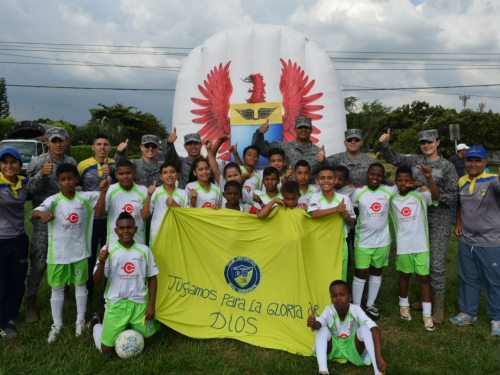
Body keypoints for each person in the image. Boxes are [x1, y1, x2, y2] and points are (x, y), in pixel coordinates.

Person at [379, 128, 458, 323]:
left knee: (437, 263)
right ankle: (425, 299)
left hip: (437, 217)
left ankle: (437, 305)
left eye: (430, 142)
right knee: (419, 259)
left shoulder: (447, 166)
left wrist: (431, 194)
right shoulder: (415, 160)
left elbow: (453, 195)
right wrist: (385, 145)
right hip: (413, 220)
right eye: (423, 142)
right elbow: (394, 158)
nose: (426, 145)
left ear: (438, 142)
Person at [31, 163, 109, 343]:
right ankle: (56, 325)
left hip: (80, 253)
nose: (67, 182)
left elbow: (99, 212)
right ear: (58, 181)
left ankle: (79, 321)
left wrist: (103, 191)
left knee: (80, 286)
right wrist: (41, 215)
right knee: (57, 288)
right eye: (63, 179)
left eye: (70, 179)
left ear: (77, 180)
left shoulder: (86, 197)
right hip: (58, 254)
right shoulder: (53, 200)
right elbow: (35, 211)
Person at [25, 127, 77, 323]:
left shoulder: (71, 162)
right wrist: (41, 175)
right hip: (42, 222)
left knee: (66, 257)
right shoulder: (38, 162)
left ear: (66, 142)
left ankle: (66, 292)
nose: (57, 144)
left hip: (65, 221)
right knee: (38, 262)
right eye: (53, 141)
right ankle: (31, 301)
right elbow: (28, 190)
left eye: (61, 140)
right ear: (47, 143)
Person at [90, 212, 159, 354]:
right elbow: (97, 282)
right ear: (116, 231)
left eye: (129, 227)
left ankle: (131, 327)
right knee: (107, 350)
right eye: (122, 228)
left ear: (135, 229)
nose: (126, 231)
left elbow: (152, 278)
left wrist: (151, 306)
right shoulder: (108, 250)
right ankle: (97, 324)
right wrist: (102, 263)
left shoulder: (144, 250)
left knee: (150, 343)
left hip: (139, 304)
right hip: (117, 303)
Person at [451, 146, 500, 336]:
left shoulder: (493, 181)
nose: (473, 164)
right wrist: (458, 223)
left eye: (478, 160)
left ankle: (497, 318)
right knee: (467, 278)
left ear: (485, 162)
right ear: (465, 161)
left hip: (491, 241)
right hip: (467, 240)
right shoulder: (462, 180)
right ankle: (468, 313)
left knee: (494, 281)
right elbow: (461, 203)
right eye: (470, 160)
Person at [390, 166, 439, 331]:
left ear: (411, 181)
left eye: (407, 180)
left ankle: (427, 314)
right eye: (400, 180)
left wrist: (428, 179)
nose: (403, 183)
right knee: (404, 276)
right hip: (404, 246)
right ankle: (403, 305)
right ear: (396, 181)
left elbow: (436, 196)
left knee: (423, 279)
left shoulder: (421, 195)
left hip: (422, 246)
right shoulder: (392, 198)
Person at [307, 280, 387, 375]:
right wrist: (313, 323)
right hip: (333, 349)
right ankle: (323, 370)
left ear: (349, 297)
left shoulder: (356, 309)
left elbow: (375, 329)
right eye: (334, 296)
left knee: (365, 329)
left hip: (353, 348)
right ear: (331, 298)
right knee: (321, 329)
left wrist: (378, 357)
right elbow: (318, 324)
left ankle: (378, 371)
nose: (338, 298)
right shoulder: (329, 310)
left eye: (342, 294)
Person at [350, 163, 398, 320]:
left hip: (382, 242)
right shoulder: (357, 192)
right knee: (361, 273)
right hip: (363, 241)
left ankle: (370, 304)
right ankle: (356, 307)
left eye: (379, 175)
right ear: (366, 175)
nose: (375, 177)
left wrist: (418, 185)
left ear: (383, 177)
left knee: (377, 271)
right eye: (372, 174)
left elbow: (404, 185)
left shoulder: (389, 191)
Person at [78, 132, 116, 302]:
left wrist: (113, 173)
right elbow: (75, 187)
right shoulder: (83, 165)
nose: (102, 147)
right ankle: (89, 291)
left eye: (106, 144)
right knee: (90, 255)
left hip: (111, 219)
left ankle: (111, 290)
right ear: (93, 147)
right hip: (90, 220)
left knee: (111, 255)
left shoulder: (116, 164)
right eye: (99, 144)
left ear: (110, 147)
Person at [0, 148, 29, 339]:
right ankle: (2, 324)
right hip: (0, 241)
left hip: (19, 239)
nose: (9, 166)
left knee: (18, 282)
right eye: (5, 162)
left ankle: (13, 314)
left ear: (19, 165)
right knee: (2, 285)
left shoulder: (24, 183)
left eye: (13, 162)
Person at [308, 167, 356, 281]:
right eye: (322, 178)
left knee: (339, 274)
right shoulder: (314, 197)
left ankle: (338, 298)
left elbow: (352, 222)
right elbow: (314, 215)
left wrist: (347, 216)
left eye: (330, 178)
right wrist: (336, 209)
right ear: (318, 181)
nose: (326, 181)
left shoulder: (344, 198)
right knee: (321, 274)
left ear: (335, 180)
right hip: (320, 242)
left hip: (339, 242)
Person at [252, 117, 323, 183]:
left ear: (311, 130)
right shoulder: (284, 147)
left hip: (309, 193)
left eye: (306, 127)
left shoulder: (318, 152)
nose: (303, 129)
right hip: (287, 192)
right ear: (295, 130)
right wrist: (259, 133)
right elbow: (260, 148)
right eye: (300, 127)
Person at [95, 159, 148, 245]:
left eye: (128, 173)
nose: (125, 176)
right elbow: (98, 214)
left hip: (138, 242)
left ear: (134, 174)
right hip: (114, 243)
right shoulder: (110, 190)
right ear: (116, 175)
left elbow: (145, 215)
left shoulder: (143, 191)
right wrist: (103, 192)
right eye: (121, 174)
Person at [141, 161, 190, 248]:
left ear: (177, 175)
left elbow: (188, 219)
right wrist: (149, 195)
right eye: (165, 173)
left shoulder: (184, 193)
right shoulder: (155, 192)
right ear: (161, 176)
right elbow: (144, 216)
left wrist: (175, 206)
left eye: (172, 172)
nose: (169, 175)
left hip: (178, 237)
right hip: (158, 236)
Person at [449, 143, 469, 223]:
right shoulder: (453, 159)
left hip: (461, 183)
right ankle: (452, 218)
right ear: (462, 150)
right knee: (453, 201)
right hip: (453, 183)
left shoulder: (463, 159)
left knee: (459, 200)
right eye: (466, 150)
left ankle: (456, 217)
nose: (467, 151)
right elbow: (447, 169)